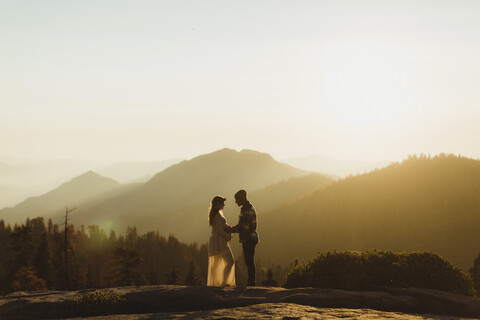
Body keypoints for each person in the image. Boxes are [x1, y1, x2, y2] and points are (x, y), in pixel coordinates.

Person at [231, 189, 258, 286]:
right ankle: (251, 281)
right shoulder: (248, 207)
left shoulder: (246, 209)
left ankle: (251, 282)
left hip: (248, 239)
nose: (235, 202)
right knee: (249, 260)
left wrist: (231, 230)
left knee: (249, 260)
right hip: (250, 238)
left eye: (236, 199)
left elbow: (244, 226)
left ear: (242, 198)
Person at [207, 195, 235, 287]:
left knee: (216, 263)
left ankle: (216, 282)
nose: (224, 205)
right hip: (220, 242)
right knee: (230, 261)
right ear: (218, 204)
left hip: (216, 242)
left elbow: (219, 226)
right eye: (223, 203)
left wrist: (227, 227)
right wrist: (228, 236)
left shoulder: (215, 215)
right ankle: (223, 281)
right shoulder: (217, 216)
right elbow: (219, 230)